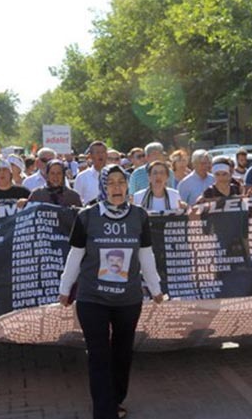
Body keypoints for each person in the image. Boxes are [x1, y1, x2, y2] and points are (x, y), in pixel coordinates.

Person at [59, 164, 165, 419]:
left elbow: (146, 254)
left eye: (121, 182)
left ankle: (115, 399)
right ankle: (104, 411)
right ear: (102, 187)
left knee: (122, 353)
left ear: (128, 185)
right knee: (98, 355)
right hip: (92, 298)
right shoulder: (86, 217)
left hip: (128, 299)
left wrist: (155, 288)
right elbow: (75, 256)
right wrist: (65, 288)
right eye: (110, 183)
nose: (116, 187)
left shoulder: (139, 216)